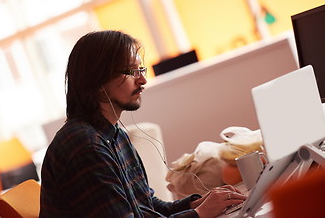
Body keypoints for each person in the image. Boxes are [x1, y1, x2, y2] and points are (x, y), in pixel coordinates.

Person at [39, 30, 246, 217]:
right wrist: (200, 214)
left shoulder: (114, 134)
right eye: (131, 71)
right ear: (98, 82)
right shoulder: (84, 147)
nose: (143, 80)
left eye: (141, 69)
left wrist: (196, 205)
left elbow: (145, 206)